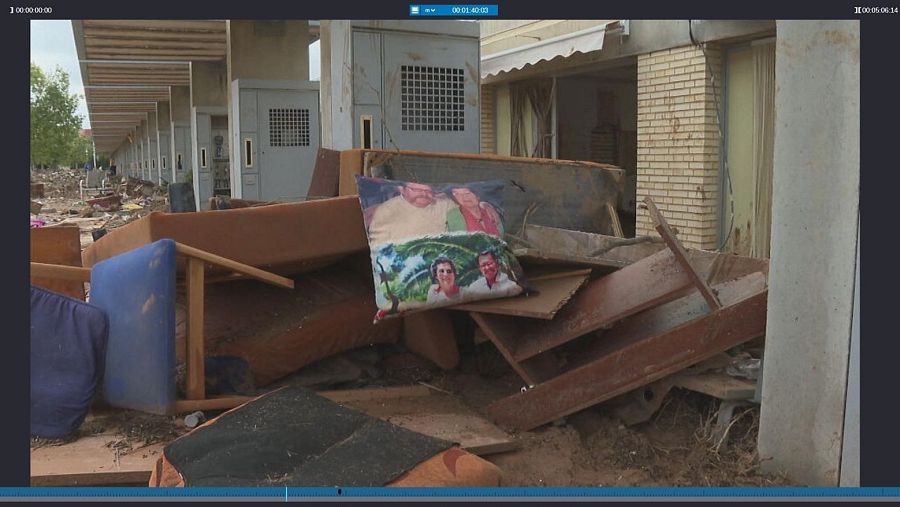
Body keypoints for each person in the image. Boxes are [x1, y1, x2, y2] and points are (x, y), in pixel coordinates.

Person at [367, 181, 456, 246]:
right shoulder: (385, 210)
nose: (424, 194)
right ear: (401, 189)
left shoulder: (446, 205)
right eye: (416, 189)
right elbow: (378, 247)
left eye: (428, 190)